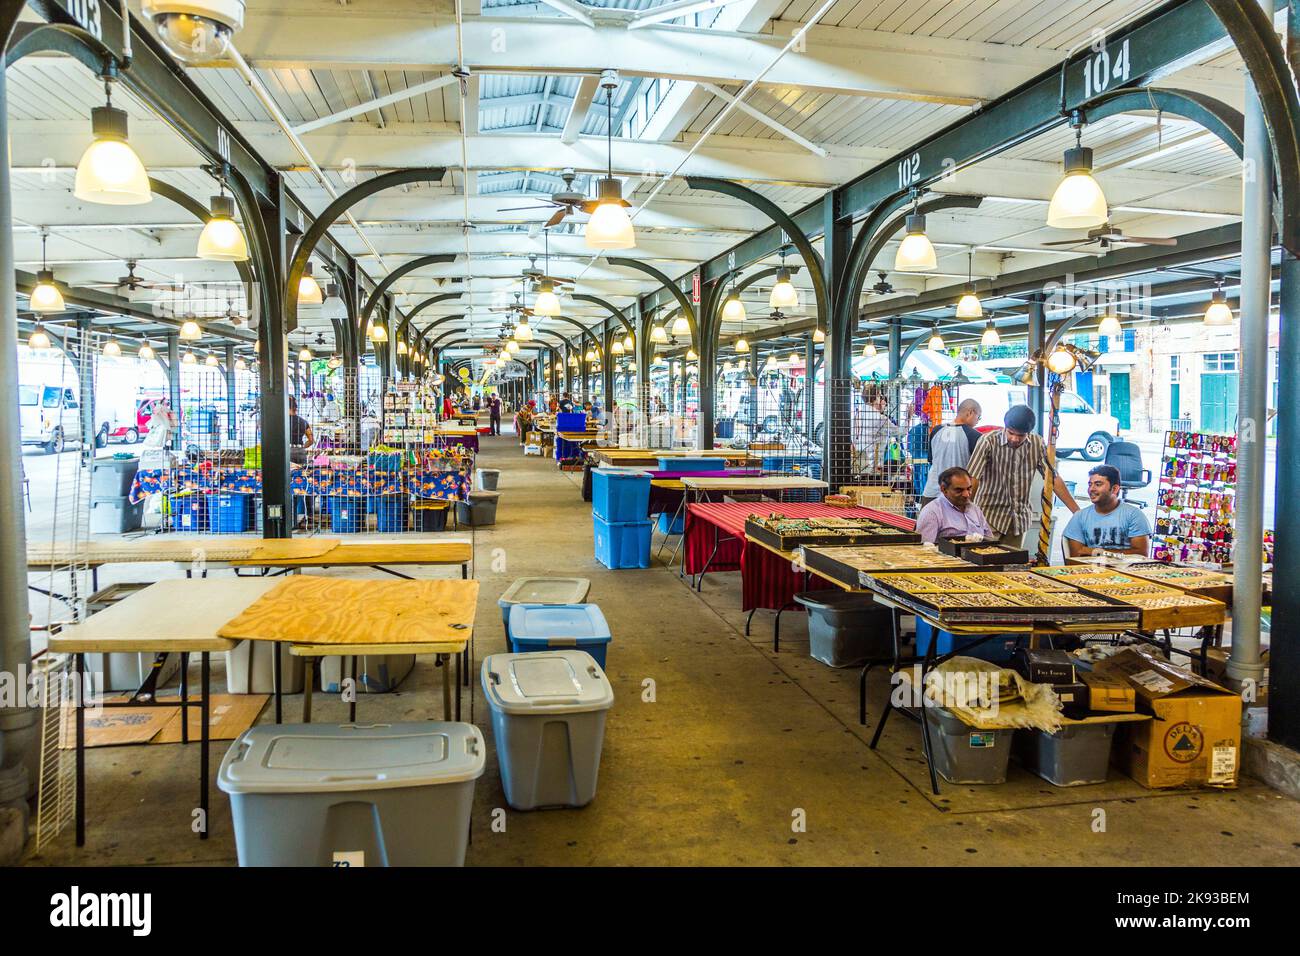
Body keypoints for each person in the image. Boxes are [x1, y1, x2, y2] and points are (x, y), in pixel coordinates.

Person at [966, 404, 1079, 548]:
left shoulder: (1037, 443)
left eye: (1020, 435)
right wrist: (967, 512)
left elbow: (1053, 478)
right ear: (1005, 427)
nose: (1014, 438)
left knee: (1012, 567)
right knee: (985, 564)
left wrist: (1076, 512)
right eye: (1011, 433)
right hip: (988, 518)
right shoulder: (988, 441)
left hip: (1018, 521)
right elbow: (972, 478)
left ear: (1029, 432)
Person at [1064, 464, 1151, 557]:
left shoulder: (1134, 515)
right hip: (1091, 570)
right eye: (1090, 484)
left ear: (1114, 489)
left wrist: (1096, 552)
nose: (1091, 489)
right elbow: (1075, 560)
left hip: (1125, 571)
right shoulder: (1079, 516)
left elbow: (1141, 556)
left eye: (1098, 484)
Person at [919, 399, 982, 508]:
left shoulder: (936, 430)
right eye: (978, 417)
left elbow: (931, 460)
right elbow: (977, 472)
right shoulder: (975, 436)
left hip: (932, 492)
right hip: (957, 495)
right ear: (970, 412)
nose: (977, 421)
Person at [915, 467, 995, 544]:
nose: (966, 494)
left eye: (969, 489)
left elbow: (990, 541)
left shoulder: (975, 510)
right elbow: (924, 550)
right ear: (944, 489)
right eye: (959, 490)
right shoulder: (932, 513)